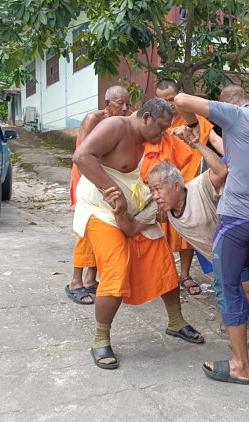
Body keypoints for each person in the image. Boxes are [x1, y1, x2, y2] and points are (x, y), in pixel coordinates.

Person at [72, 98, 204, 370]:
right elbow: (81, 157)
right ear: (145, 118)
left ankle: (175, 321)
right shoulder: (115, 126)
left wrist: (154, 199)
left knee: (161, 257)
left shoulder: (148, 139)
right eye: (160, 127)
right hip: (100, 207)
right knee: (117, 267)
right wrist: (114, 194)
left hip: (130, 206)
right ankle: (100, 339)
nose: (163, 132)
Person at [173, 85, 249, 384]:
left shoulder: (235, 116)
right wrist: (199, 140)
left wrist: (193, 121)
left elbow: (180, 99)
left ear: (230, 103)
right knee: (246, 270)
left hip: (235, 221)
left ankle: (240, 367)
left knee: (226, 289)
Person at [132, 126, 249, 350]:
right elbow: (132, 227)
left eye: (158, 189)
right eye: (152, 190)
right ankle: (243, 326)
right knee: (228, 281)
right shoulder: (159, 207)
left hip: (248, 239)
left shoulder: (199, 187)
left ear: (177, 186)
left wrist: (195, 143)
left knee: (243, 272)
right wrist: (118, 209)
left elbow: (222, 171)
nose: (155, 195)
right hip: (221, 257)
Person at [139, 79, 216, 295]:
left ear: (179, 95)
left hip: (186, 183)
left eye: (172, 99)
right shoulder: (154, 121)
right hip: (159, 184)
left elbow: (209, 139)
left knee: (186, 235)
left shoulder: (191, 118)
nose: (169, 105)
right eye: (163, 100)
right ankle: (162, 275)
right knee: (157, 231)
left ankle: (185, 275)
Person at [65, 85, 132, 305]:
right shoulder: (93, 119)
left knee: (101, 226)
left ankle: (91, 278)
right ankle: (76, 281)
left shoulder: (126, 120)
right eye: (119, 103)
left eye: (127, 103)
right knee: (85, 227)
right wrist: (97, 186)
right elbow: (83, 155)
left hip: (106, 179)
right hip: (87, 176)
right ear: (106, 104)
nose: (124, 108)